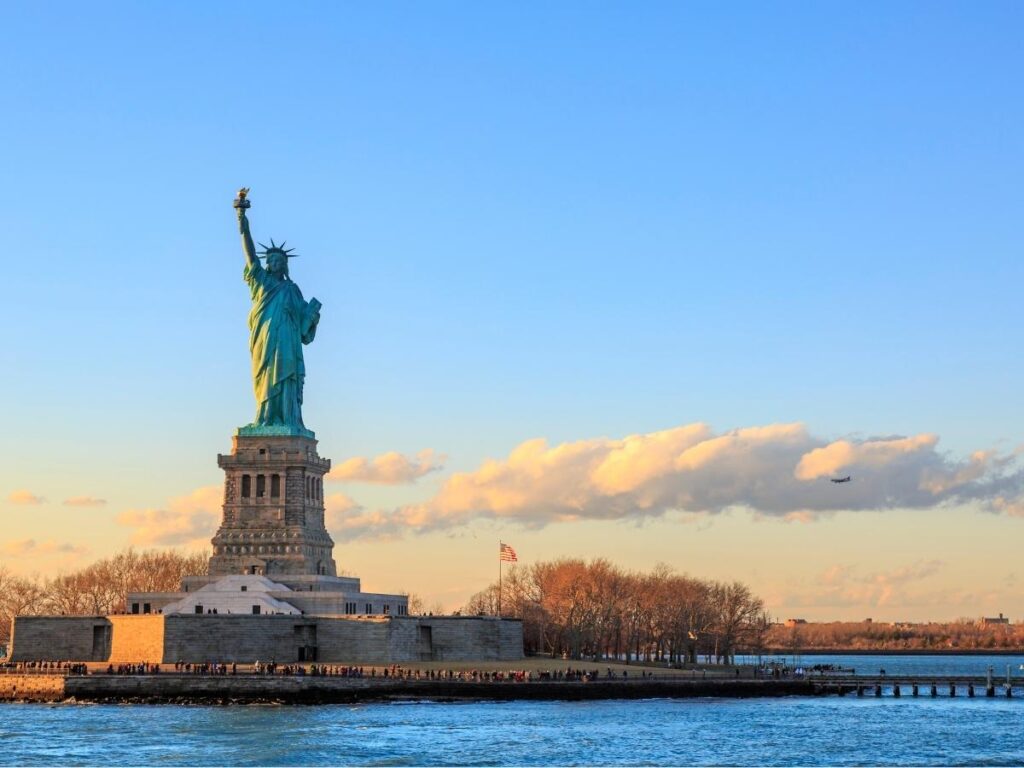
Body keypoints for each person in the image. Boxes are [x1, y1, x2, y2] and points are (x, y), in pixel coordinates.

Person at [235, 191, 321, 430]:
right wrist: (241, 216)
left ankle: (288, 419)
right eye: (270, 260)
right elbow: (250, 252)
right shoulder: (260, 282)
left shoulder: (292, 289)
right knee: (265, 378)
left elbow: (305, 330)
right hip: (265, 338)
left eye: (278, 261)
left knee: (287, 379)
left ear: (284, 265)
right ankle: (264, 418)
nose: (274, 264)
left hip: (288, 342)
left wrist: (313, 315)